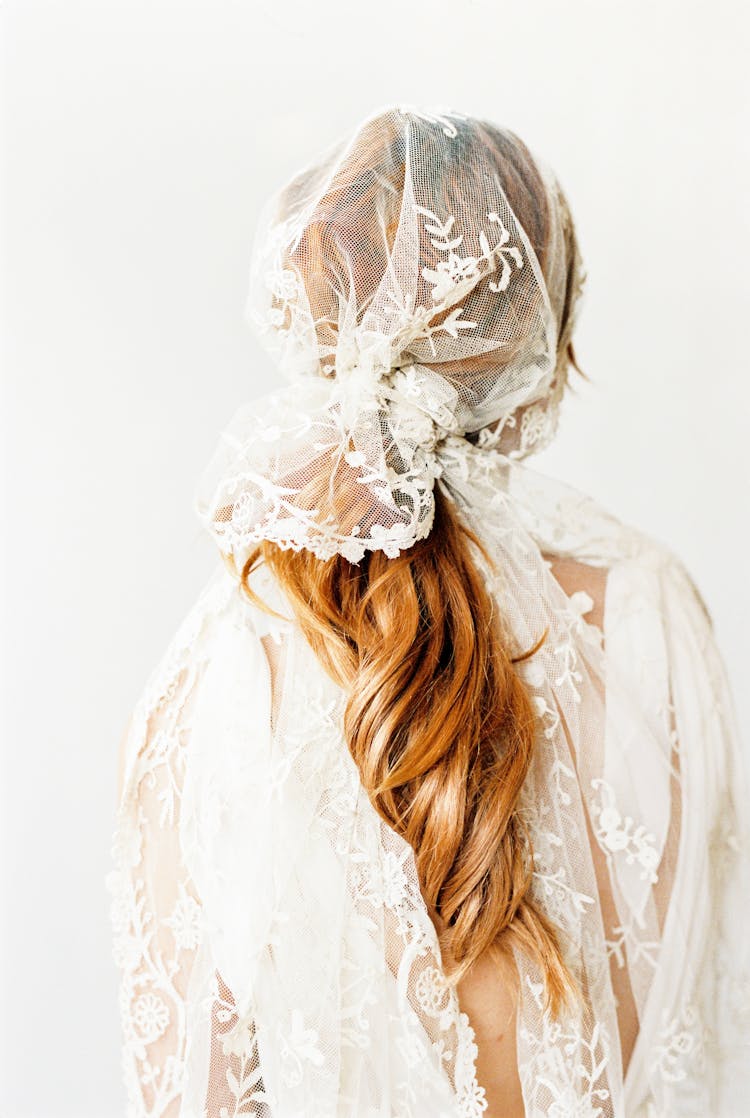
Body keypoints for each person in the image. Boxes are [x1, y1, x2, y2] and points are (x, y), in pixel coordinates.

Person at [107, 104, 750, 1118]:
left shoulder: (219, 676)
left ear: (315, 328)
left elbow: (189, 1093)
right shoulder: (649, 616)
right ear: (543, 348)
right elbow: (688, 1042)